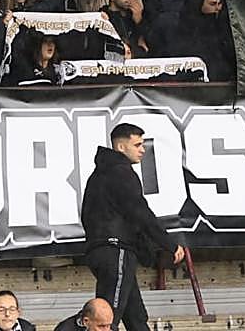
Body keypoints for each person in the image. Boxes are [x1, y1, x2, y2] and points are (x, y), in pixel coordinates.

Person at [80, 123, 186, 331]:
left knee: (135, 315)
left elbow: (90, 215)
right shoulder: (121, 172)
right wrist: (169, 244)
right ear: (121, 147)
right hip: (116, 250)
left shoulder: (99, 175)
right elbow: (140, 213)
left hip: (102, 251)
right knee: (107, 318)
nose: (142, 149)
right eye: (137, 144)